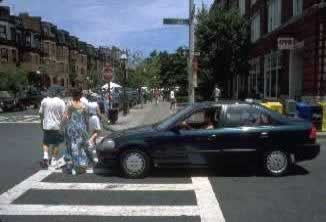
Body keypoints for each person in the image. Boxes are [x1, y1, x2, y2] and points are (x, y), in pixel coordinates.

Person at [64, 88, 90, 175]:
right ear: (80, 96)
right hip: (81, 128)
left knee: (72, 147)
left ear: (72, 95)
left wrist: (61, 126)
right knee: (81, 146)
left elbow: (65, 117)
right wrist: (88, 130)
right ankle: (81, 165)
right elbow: (86, 119)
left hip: (72, 128)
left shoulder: (70, 104)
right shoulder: (83, 105)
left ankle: (74, 167)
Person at [39, 90, 66, 168]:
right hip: (57, 126)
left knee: (46, 142)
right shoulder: (61, 102)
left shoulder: (44, 101)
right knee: (56, 143)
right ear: (58, 94)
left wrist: (42, 121)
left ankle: (45, 157)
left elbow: (40, 113)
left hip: (47, 125)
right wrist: (63, 124)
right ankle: (53, 159)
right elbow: (64, 115)